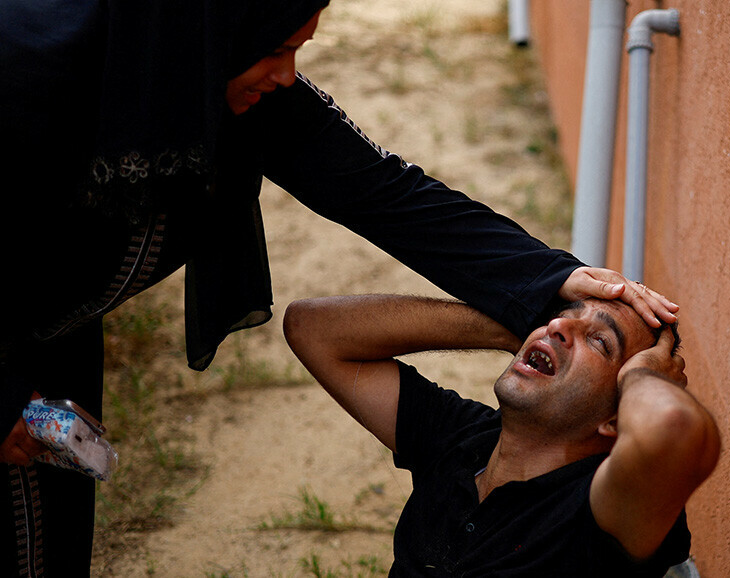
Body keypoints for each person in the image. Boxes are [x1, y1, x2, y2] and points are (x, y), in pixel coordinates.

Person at [0, 0, 679, 574]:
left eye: (299, 48)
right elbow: (319, 329)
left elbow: (383, 191)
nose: (287, 74)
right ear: (217, 25)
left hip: (49, 334)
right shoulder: (30, 72)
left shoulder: (206, 67)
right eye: (276, 48)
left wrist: (543, 281)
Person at [283, 293, 720, 576]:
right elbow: (312, 328)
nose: (556, 327)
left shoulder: (600, 508)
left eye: (601, 341)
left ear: (617, 419)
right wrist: (509, 326)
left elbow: (676, 429)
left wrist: (645, 375)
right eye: (560, 317)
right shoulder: (465, 436)